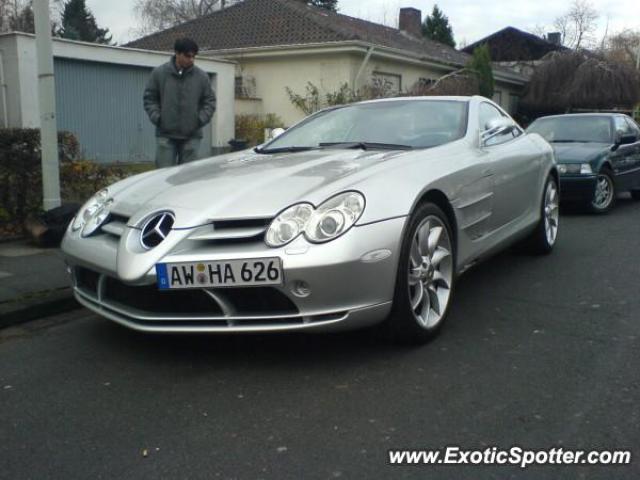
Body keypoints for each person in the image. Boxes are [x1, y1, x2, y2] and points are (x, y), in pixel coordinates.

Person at [143, 37, 216, 168]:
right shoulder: (159, 73)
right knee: (163, 176)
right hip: (165, 135)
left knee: (187, 179)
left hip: (192, 136)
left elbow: (210, 101)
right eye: (188, 56)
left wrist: (199, 120)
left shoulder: (202, 77)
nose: (191, 59)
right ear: (177, 53)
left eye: (194, 56)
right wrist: (158, 118)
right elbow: (150, 98)